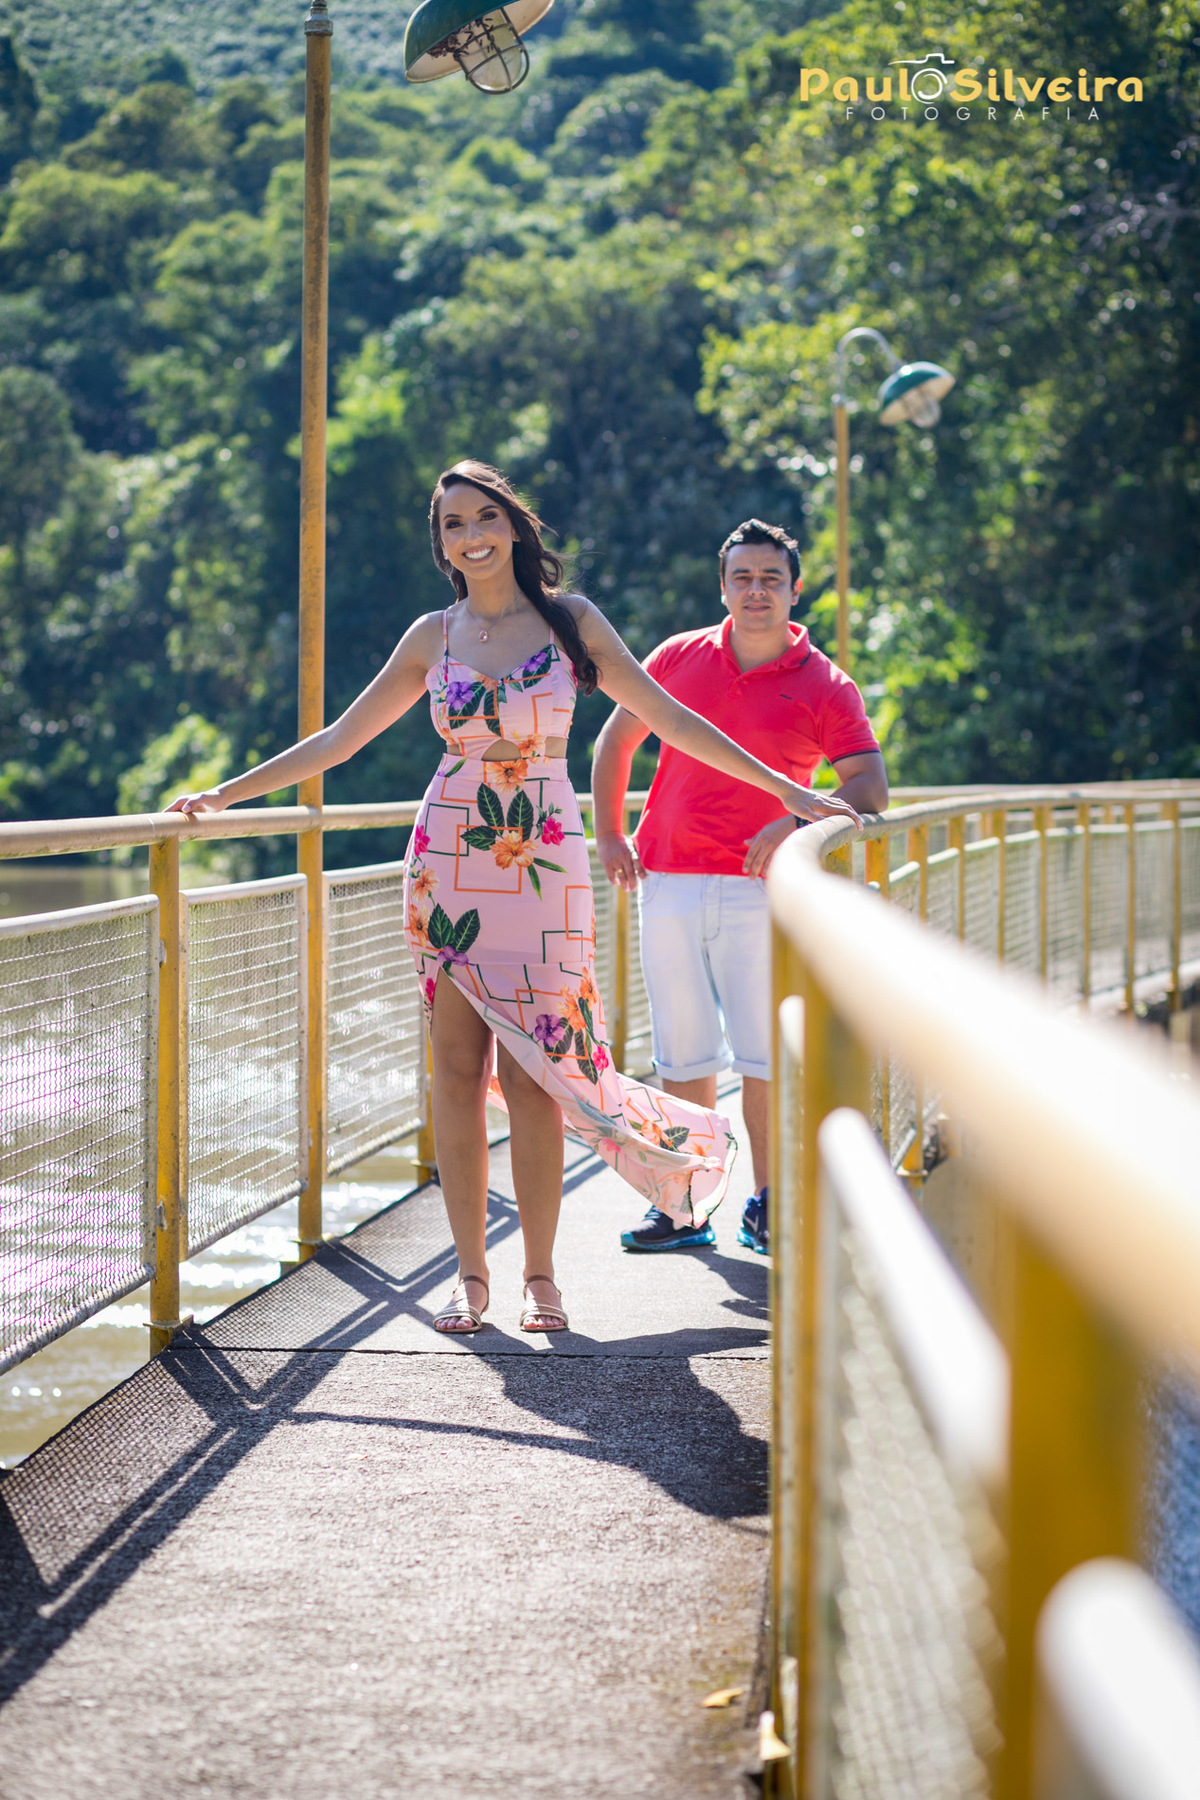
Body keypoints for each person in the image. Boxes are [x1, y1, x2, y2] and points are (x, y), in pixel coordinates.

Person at [167, 469, 861, 1335]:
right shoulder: (432, 636)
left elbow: (674, 722)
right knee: (457, 1073)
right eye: (454, 524)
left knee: (539, 1074)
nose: (473, 536)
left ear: (514, 527)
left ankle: (540, 1276)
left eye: (486, 517)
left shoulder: (572, 623)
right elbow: (341, 741)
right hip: (448, 863)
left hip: (544, 865)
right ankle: (470, 1277)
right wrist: (226, 793)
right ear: (442, 543)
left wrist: (785, 791)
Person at [592, 518, 888, 1255]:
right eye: (743, 578)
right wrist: (609, 832)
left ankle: (768, 1204)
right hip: (667, 878)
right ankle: (686, 1206)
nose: (757, 591)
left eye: (771, 579)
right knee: (682, 1054)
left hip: (765, 890)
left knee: (762, 1055)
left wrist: (793, 822)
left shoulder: (826, 684)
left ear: (795, 589)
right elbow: (615, 741)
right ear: (722, 587)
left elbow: (869, 787)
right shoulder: (676, 656)